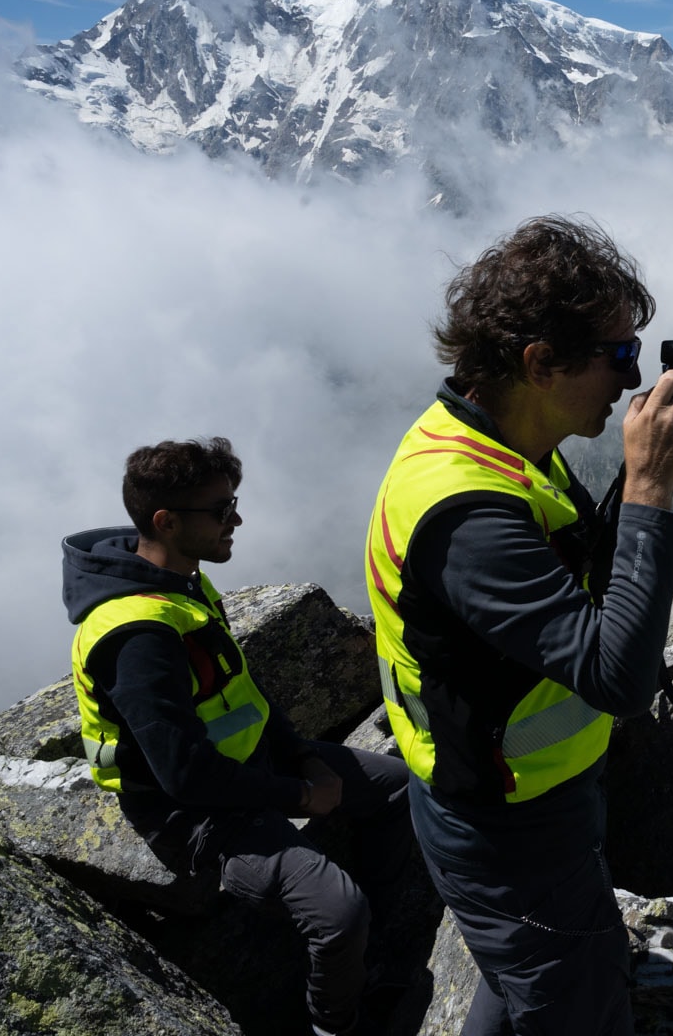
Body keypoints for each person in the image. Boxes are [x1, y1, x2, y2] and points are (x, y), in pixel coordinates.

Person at [364, 215, 673, 1036]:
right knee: (578, 1006)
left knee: (525, 982)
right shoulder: (465, 510)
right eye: (619, 357)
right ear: (540, 363)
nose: (632, 380)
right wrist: (650, 488)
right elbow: (618, 679)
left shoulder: (501, 441)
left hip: (529, 793)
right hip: (508, 824)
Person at [65, 437, 414, 1036]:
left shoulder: (180, 586)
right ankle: (336, 1024)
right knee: (338, 911)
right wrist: (299, 796)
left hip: (248, 766)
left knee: (402, 787)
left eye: (234, 503)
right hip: (193, 816)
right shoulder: (137, 635)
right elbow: (185, 775)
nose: (237, 519)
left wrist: (304, 756)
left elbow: (243, 692)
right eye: (222, 510)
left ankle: (375, 953)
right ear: (166, 521)